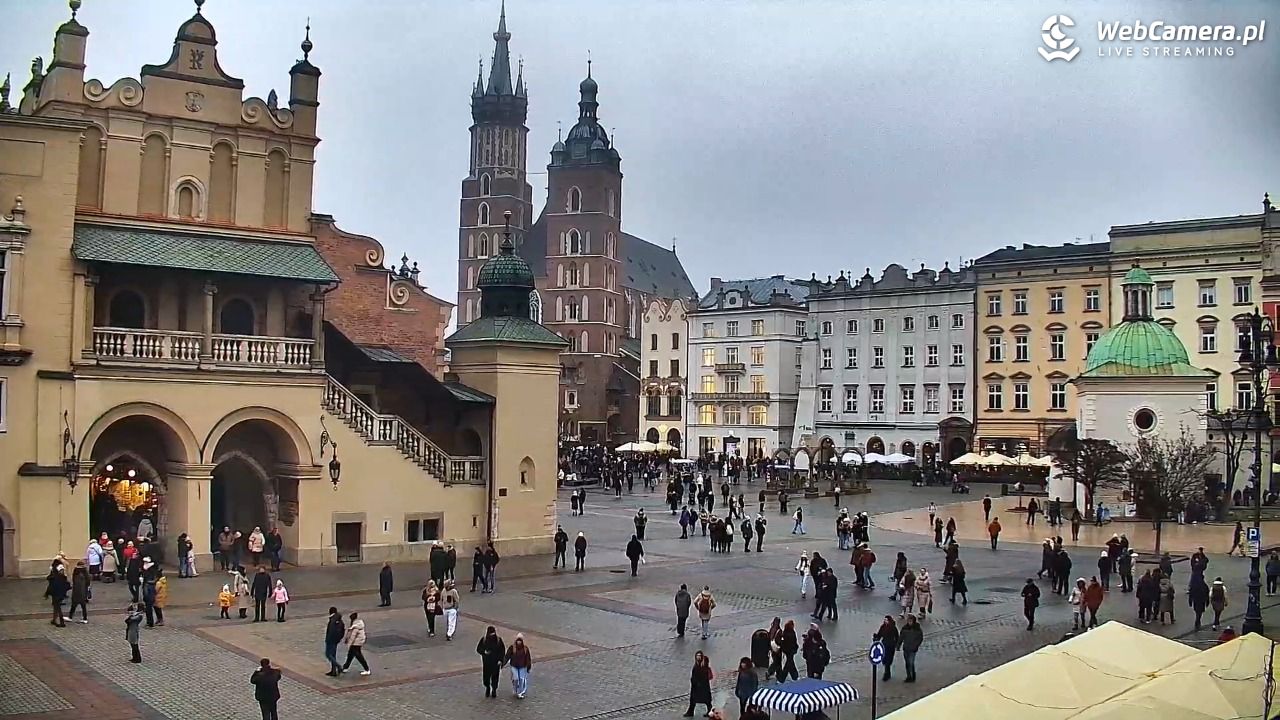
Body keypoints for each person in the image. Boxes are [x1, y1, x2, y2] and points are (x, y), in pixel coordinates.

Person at [477, 626, 506, 697]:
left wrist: (500, 660)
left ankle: (494, 690)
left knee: (495, 677)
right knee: (486, 677)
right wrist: (484, 652)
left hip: (496, 663)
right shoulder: (484, 640)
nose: (492, 635)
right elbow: (478, 649)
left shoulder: (498, 640)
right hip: (486, 663)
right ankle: (487, 687)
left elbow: (502, 651)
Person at [684, 651, 714, 717]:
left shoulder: (703, 665)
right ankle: (691, 712)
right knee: (693, 700)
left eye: (699, 656)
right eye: (697, 656)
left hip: (702, 686)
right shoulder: (697, 665)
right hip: (696, 686)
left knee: (706, 700)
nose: (698, 657)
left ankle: (710, 711)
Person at [505, 633, 532, 698]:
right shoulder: (512, 648)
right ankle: (515, 689)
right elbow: (507, 656)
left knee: (522, 679)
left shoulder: (525, 649)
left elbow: (528, 658)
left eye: (520, 641)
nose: (519, 642)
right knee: (516, 678)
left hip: (522, 666)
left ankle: (520, 692)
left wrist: (528, 667)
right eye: (518, 640)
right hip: (514, 666)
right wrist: (503, 663)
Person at [899, 612, 924, 682]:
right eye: (908, 621)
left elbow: (920, 638)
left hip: (913, 649)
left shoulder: (917, 629)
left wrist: (916, 645)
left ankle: (913, 676)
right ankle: (909, 676)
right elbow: (901, 637)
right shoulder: (905, 628)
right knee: (907, 663)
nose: (909, 622)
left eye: (911, 621)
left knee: (911, 662)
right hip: (906, 648)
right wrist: (898, 645)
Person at [874, 615, 900, 681]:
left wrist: (897, 645)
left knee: (888, 660)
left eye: (886, 620)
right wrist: (876, 637)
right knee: (884, 659)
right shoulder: (883, 627)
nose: (885, 621)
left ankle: (886, 674)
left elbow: (897, 637)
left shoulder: (893, 628)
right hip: (884, 645)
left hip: (891, 646)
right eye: (885, 620)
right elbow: (879, 635)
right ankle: (887, 673)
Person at [45, 562, 70, 627]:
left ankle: (61, 622)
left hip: (56, 594)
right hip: (59, 594)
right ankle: (54, 619)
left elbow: (51, 586)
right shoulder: (62, 577)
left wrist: (47, 593)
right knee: (56, 607)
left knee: (58, 608)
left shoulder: (55, 577)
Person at [324, 607, 345, 676]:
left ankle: (338, 666)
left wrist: (328, 639)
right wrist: (339, 638)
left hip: (330, 640)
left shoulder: (332, 620)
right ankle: (333, 671)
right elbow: (343, 630)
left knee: (328, 654)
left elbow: (330, 631)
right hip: (336, 640)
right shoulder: (339, 619)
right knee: (333, 655)